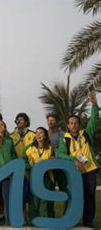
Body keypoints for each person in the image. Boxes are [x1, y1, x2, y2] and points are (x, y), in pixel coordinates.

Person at [58, 92, 99, 228]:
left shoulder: (86, 133)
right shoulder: (65, 139)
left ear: (79, 124)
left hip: (90, 170)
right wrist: (73, 159)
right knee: (75, 197)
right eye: (71, 123)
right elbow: (60, 154)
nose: (74, 125)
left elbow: (94, 119)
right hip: (75, 171)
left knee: (90, 197)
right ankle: (72, 219)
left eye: (76, 123)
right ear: (68, 126)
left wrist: (94, 104)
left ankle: (88, 220)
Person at [22, 127, 54, 224]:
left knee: (45, 201)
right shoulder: (29, 148)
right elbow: (23, 163)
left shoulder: (50, 148)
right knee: (34, 201)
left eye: (41, 133)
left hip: (47, 178)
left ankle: (44, 221)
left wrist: (47, 163)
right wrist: (32, 165)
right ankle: (33, 222)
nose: (38, 135)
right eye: (37, 133)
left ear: (45, 136)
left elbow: (54, 162)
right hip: (33, 178)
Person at [45, 113, 67, 217]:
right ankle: (50, 216)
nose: (50, 122)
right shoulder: (44, 134)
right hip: (49, 169)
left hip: (62, 168)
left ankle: (67, 215)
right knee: (49, 192)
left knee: (65, 192)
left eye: (52, 120)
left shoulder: (63, 134)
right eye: (49, 120)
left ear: (56, 122)